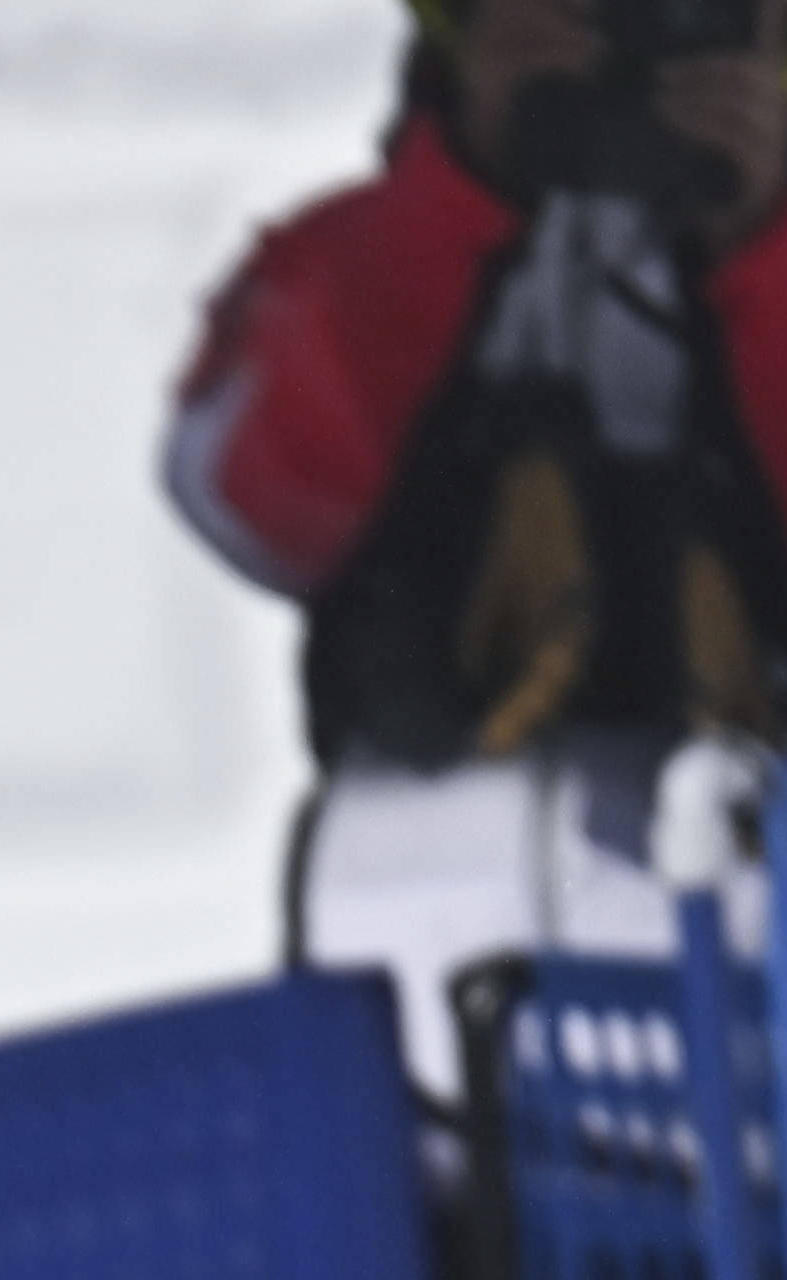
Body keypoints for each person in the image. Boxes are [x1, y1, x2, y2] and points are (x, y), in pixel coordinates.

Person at [165, 0, 787, 1094]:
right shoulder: (357, 252)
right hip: (429, 1020)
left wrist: (763, 248)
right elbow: (247, 497)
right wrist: (455, 195)